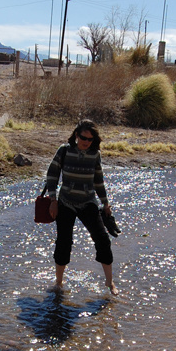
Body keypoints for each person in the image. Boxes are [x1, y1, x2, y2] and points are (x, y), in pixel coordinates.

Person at [44, 119, 119, 295]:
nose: (86, 142)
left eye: (90, 140)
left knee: (103, 240)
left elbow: (98, 181)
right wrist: (53, 200)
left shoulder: (95, 154)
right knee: (64, 242)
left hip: (88, 202)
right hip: (66, 203)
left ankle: (110, 282)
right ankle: (59, 282)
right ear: (76, 135)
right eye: (84, 138)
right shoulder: (64, 151)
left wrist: (105, 203)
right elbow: (52, 175)